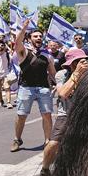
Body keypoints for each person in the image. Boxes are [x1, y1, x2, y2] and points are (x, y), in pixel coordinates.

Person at [35, 48, 88, 176]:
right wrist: (77, 74)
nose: (81, 64)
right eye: (77, 62)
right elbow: (63, 93)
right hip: (66, 113)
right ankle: (45, 171)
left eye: (83, 61)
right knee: (53, 143)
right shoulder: (62, 75)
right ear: (70, 64)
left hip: (84, 115)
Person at [11, 21, 56, 152]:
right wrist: (24, 28)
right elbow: (17, 43)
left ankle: (47, 140)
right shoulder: (23, 52)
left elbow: (52, 73)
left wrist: (59, 84)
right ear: (29, 39)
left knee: (47, 115)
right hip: (26, 88)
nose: (38, 38)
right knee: (21, 115)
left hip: (43, 88)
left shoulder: (46, 54)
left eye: (40, 36)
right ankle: (16, 139)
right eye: (35, 36)